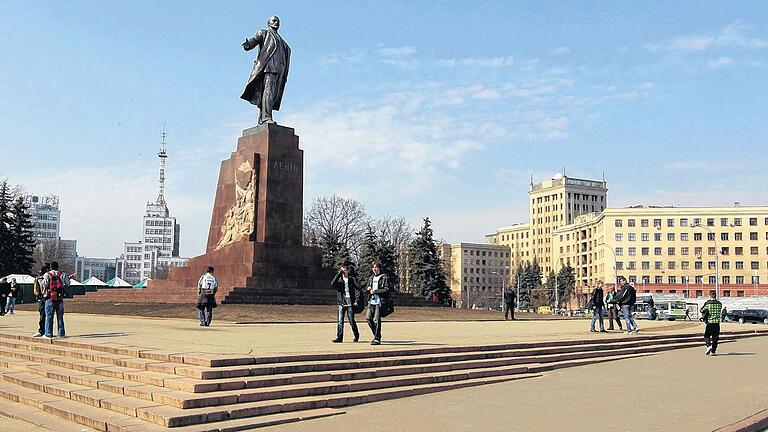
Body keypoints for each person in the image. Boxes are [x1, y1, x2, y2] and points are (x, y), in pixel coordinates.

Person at [241, 16, 291, 125]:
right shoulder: (264, 33)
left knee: (271, 94)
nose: (276, 22)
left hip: (280, 71)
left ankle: (262, 118)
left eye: (278, 21)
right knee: (268, 91)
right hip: (269, 68)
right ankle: (266, 117)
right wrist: (248, 44)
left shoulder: (283, 42)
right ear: (268, 23)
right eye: (274, 20)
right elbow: (255, 39)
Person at [330, 263, 360, 343]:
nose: (344, 272)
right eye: (342, 270)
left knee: (351, 320)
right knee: (340, 321)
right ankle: (339, 337)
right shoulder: (339, 280)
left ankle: (356, 335)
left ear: (348, 270)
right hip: (342, 302)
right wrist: (339, 274)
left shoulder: (352, 279)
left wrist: (356, 300)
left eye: (345, 270)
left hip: (350, 302)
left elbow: (357, 290)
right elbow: (332, 284)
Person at [366, 260, 392, 345]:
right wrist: (368, 289)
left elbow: (386, 289)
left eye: (376, 267)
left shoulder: (384, 277)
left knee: (376, 320)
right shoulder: (371, 277)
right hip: (371, 301)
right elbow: (368, 287)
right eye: (373, 267)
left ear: (379, 268)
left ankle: (377, 338)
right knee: (368, 318)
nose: (374, 269)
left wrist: (376, 291)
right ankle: (377, 335)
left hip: (379, 302)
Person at [42, 261, 69, 338]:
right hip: (59, 298)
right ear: (58, 267)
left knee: (49, 316)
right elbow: (68, 284)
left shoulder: (47, 274)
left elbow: (45, 284)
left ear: (50, 267)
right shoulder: (62, 274)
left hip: (50, 297)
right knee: (60, 316)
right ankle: (61, 333)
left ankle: (48, 333)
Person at [32, 265, 49, 337]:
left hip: (47, 298)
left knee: (46, 315)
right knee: (43, 315)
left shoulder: (48, 277)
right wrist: (39, 296)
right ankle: (42, 330)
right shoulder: (38, 279)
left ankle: (46, 331)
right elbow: (36, 290)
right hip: (43, 298)